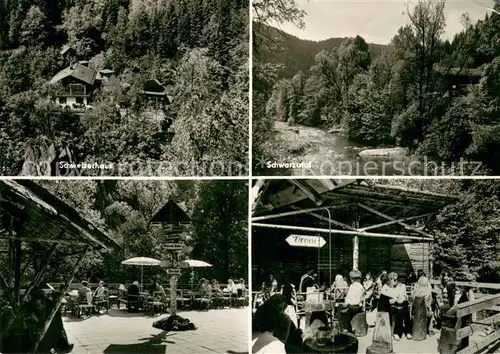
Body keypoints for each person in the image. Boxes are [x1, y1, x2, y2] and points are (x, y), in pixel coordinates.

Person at [392, 274, 412, 340]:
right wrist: (397, 301)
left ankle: (408, 332)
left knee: (407, 316)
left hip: (403, 302)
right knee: (399, 316)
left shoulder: (403, 286)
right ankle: (396, 333)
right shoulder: (393, 287)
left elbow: (404, 294)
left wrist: (406, 298)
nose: (400, 282)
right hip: (397, 304)